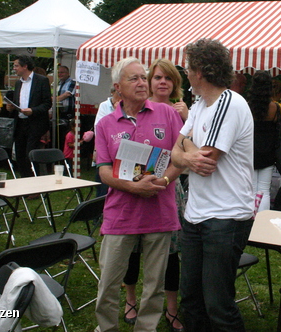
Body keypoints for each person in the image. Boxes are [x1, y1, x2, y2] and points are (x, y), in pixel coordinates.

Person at [94, 57, 184, 332]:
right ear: (118, 87)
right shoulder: (106, 123)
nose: (142, 83)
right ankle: (106, 328)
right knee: (109, 282)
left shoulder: (167, 114)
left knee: (155, 284)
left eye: (143, 77)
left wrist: (165, 179)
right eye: (134, 79)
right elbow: (104, 171)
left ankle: (146, 329)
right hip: (121, 215)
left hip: (160, 211)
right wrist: (134, 187)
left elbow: (180, 156)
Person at [171, 38, 254, 332]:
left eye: (188, 67)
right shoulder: (199, 105)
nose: (185, 73)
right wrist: (185, 154)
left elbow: (205, 160)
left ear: (200, 72)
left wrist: (185, 153)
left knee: (218, 303)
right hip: (197, 214)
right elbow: (175, 150)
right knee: (191, 299)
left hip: (226, 216)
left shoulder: (228, 103)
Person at [121, 58, 188, 330]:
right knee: (132, 248)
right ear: (149, 83)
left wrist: (187, 119)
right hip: (132, 187)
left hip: (169, 188)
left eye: (168, 78)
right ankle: (130, 300)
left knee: (171, 252)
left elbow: (190, 150)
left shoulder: (182, 112)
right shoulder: (136, 108)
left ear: (175, 84)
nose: (163, 82)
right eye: (158, 77)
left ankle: (171, 307)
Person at [5, 55, 52, 177]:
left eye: (16, 66)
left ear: (25, 66)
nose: (14, 68)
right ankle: (24, 180)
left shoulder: (41, 80)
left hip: (34, 124)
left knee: (30, 154)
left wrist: (33, 110)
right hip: (20, 122)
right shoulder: (18, 83)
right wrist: (11, 108)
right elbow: (18, 101)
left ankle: (34, 182)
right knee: (19, 154)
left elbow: (47, 103)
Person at [248, 71, 281, 212]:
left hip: (250, 152)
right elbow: (279, 130)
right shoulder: (275, 108)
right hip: (268, 153)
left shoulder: (247, 106)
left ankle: (250, 218)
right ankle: (261, 221)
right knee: (264, 190)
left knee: (251, 189)